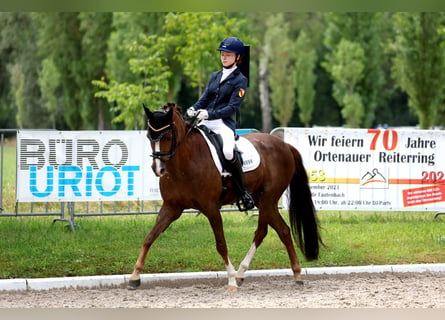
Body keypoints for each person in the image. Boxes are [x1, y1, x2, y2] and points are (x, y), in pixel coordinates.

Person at [187, 37, 255, 211]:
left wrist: (210, 113)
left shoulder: (241, 80)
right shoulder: (215, 76)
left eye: (228, 55)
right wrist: (194, 108)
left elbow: (232, 107)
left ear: (237, 57)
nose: (224, 58)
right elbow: (205, 98)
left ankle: (243, 191)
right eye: (222, 54)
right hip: (204, 120)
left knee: (227, 151)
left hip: (223, 123)